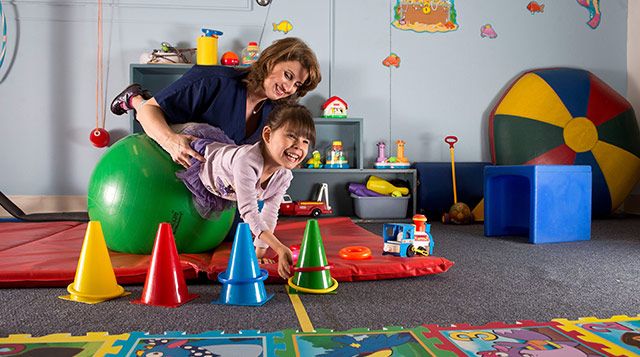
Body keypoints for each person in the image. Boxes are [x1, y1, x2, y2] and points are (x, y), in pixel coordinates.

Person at [110, 37, 321, 169]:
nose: (289, 87)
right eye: (287, 75)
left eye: (297, 84)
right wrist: (171, 141)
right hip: (173, 133)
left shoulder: (275, 110)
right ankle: (134, 97)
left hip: (213, 173)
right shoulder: (212, 79)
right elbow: (149, 111)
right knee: (146, 107)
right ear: (271, 61)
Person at [175, 104, 315, 280]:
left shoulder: (284, 177)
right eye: (291, 136)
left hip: (223, 181)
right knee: (175, 136)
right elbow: (249, 211)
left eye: (305, 141)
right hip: (203, 156)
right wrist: (279, 247)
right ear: (267, 135)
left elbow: (270, 213)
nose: (298, 146)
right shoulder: (247, 162)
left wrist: (260, 253)